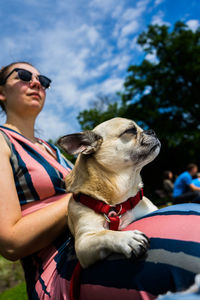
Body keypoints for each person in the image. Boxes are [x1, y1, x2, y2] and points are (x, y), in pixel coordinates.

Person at [1, 62, 200, 300]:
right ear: (1, 92)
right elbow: (11, 243)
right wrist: (87, 197)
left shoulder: (53, 150)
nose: (36, 83)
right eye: (23, 76)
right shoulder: (3, 141)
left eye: (43, 80)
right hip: (59, 268)